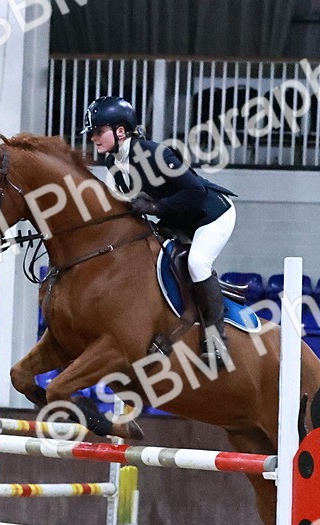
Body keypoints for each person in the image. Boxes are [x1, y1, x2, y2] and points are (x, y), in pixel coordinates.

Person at [81, 95, 237, 365]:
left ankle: (216, 341)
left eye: (98, 131)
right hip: (178, 218)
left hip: (211, 215)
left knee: (198, 263)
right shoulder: (113, 163)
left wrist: (155, 208)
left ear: (120, 131)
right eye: (92, 133)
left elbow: (195, 191)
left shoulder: (154, 153)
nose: (93, 138)